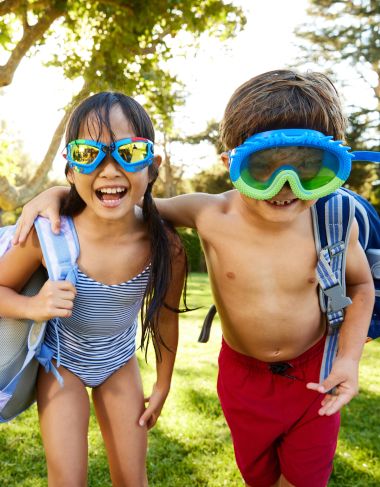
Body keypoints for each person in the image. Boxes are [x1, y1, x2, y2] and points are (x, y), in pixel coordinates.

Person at [14, 70, 375, 487]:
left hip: (318, 370)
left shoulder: (334, 219)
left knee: (306, 479)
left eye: (307, 169)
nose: (285, 186)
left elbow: (360, 285)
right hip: (242, 378)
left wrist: (348, 359)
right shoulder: (209, 214)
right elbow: (125, 202)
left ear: (332, 164)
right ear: (231, 164)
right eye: (263, 168)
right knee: (259, 476)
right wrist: (57, 194)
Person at [0, 91, 187, 486]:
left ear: (151, 168)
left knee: (132, 479)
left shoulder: (164, 245)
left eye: (129, 151)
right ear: (70, 171)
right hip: (61, 365)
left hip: (119, 363)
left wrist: (164, 381)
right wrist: (33, 306)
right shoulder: (49, 235)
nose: (110, 168)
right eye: (89, 154)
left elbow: (167, 317)